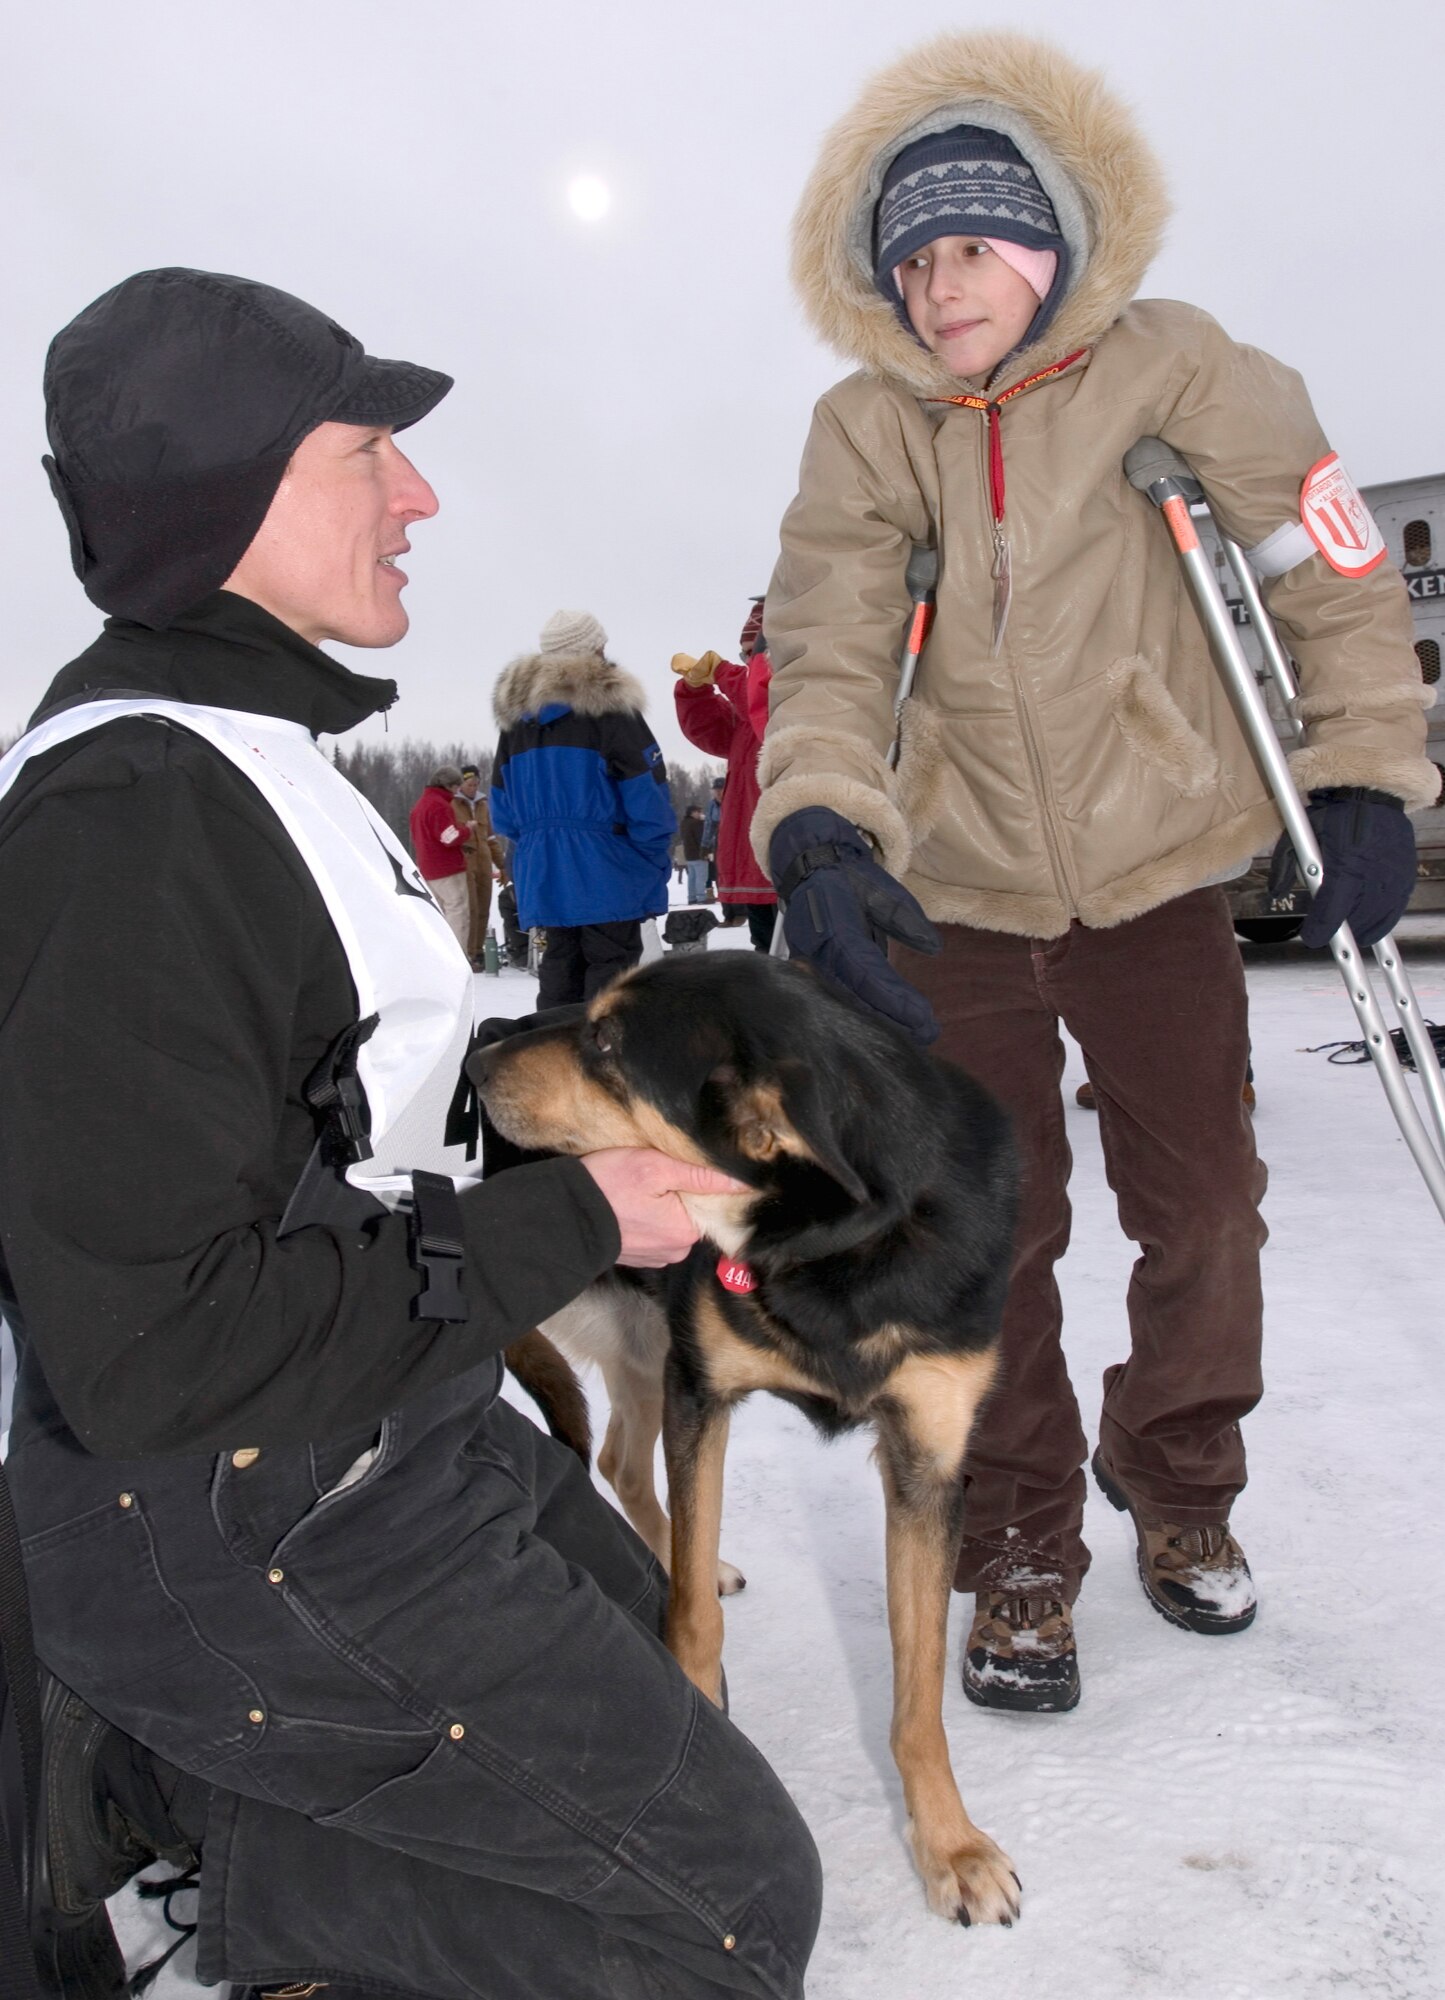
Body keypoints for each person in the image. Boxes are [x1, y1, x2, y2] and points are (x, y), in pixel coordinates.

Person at [0, 268, 821, 1999]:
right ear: (228, 492)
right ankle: (178, 1808)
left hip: (379, 1413)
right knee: (721, 1914)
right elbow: (153, 1347)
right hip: (236, 1495)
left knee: (655, 1718)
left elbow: (356, 1088)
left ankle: (208, 1802)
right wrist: (582, 1221)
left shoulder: (258, 756)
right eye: (369, 448)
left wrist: (671, 1072)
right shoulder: (136, 820)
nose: (421, 492)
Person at [751, 32, 1435, 1713]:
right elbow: (831, 649)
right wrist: (824, 820)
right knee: (989, 1239)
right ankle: (1022, 1544)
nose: (940, 283)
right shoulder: (868, 430)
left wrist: (1360, 774)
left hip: (1157, 874)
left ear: (1050, 241)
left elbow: (1335, 571)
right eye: (911, 257)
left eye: (972, 242)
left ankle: (1177, 1480)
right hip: (961, 894)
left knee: (1205, 1211)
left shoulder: (1180, 369)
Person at [490, 611, 677, 1007]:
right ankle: (601, 1065)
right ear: (594, 650)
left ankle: (553, 1059)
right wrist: (650, 858)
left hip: (544, 875)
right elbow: (649, 801)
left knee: (559, 974)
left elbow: (503, 813)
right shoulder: (611, 712)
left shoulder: (517, 725)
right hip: (609, 871)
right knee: (610, 984)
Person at [673, 601, 779, 952]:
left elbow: (764, 696)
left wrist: (724, 673)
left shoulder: (794, 694)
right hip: (756, 858)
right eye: (745, 654)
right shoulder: (747, 712)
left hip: (788, 857)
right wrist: (695, 690)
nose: (751, 663)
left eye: (757, 653)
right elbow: (712, 732)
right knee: (768, 955)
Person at [409, 761, 473, 952]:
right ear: (449, 785)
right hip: (447, 869)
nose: (456, 791)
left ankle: (440, 954)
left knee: (438, 915)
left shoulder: (420, 805)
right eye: (456, 786)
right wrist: (467, 830)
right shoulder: (439, 806)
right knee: (458, 912)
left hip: (428, 868)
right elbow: (449, 837)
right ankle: (458, 955)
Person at [454, 762, 505, 966]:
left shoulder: (483, 804)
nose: (473, 788)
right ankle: (468, 951)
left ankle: (478, 949)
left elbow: (490, 837)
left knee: (484, 907)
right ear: (461, 784)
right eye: (469, 784)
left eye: (476, 783)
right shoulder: (453, 804)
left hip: (484, 861)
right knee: (470, 908)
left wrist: (502, 865)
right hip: (465, 861)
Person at [680, 802, 710, 904]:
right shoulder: (697, 823)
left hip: (689, 855)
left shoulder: (684, 823)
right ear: (692, 813)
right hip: (699, 854)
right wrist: (706, 852)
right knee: (701, 877)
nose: (700, 813)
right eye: (698, 812)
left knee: (691, 878)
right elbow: (701, 838)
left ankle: (691, 897)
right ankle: (701, 897)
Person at [702, 774, 725, 899]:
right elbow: (708, 824)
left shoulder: (732, 802)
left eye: (721, 790)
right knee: (717, 870)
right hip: (717, 841)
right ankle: (722, 897)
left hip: (732, 840)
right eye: (716, 790)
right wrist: (705, 845)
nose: (718, 793)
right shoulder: (712, 805)